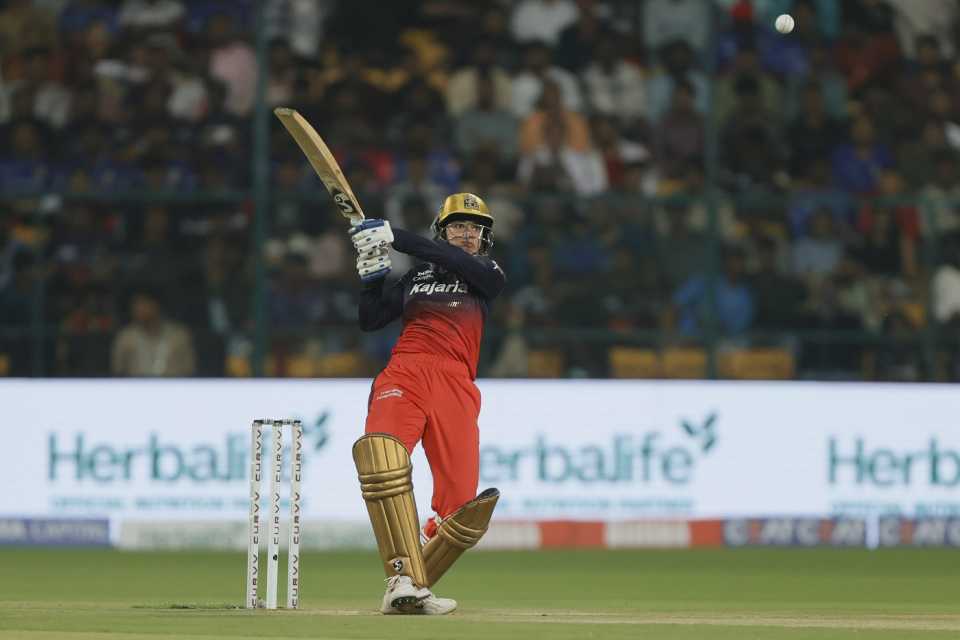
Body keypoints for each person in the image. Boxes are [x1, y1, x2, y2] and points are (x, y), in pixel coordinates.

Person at [348, 193, 505, 615]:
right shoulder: (416, 277)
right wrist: (371, 279)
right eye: (457, 226)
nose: (466, 234)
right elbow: (370, 319)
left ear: (484, 237)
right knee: (384, 458)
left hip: (455, 381)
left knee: (461, 509)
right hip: (406, 370)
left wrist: (394, 236)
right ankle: (401, 579)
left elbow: (446, 257)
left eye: (474, 229)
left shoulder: (486, 273)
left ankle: (412, 584)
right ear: (443, 230)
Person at [110, 289, 195, 376]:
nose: (139, 309)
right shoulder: (126, 337)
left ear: (156, 305)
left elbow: (189, 370)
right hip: (136, 387)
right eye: (136, 304)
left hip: (172, 386)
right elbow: (117, 371)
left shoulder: (179, 335)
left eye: (143, 303)